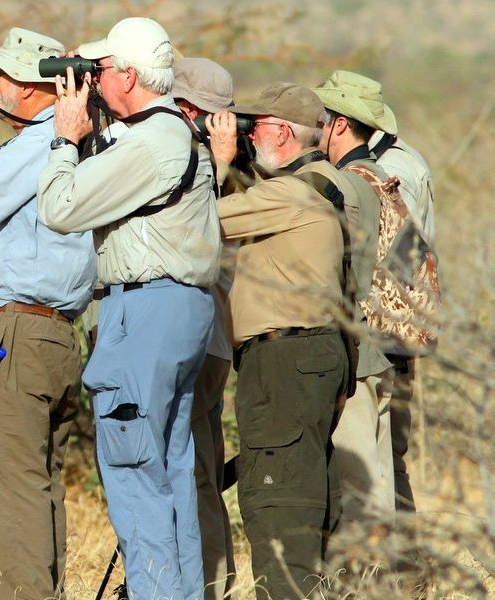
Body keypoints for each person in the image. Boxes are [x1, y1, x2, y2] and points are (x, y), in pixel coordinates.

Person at [37, 17, 221, 600]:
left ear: (130, 75)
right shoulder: (164, 132)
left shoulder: (151, 141)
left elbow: (60, 207)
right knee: (168, 469)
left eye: (103, 69)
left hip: (144, 312)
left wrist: (66, 137)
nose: (95, 78)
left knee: (134, 471)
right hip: (176, 311)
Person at [0, 27, 97, 600]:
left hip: (14, 331)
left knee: (12, 491)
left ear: (34, 86)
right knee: (37, 486)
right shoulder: (59, 139)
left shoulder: (41, 141)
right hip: (49, 336)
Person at [204, 82, 350, 599]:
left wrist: (220, 160)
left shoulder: (291, 193)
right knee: (305, 485)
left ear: (281, 131)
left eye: (253, 125)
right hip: (312, 354)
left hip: (284, 358)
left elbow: (202, 224)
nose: (245, 135)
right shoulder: (323, 182)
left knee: (277, 492)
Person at [313, 72, 406, 533]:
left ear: (341, 124)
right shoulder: (382, 176)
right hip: (385, 348)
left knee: (356, 494)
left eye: (323, 119)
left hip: (358, 355)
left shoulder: (347, 185)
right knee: (380, 485)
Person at [354, 72, 437, 513]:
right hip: (395, 331)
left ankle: (401, 577)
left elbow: (405, 256)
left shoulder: (394, 170)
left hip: (388, 336)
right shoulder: (401, 160)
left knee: (387, 458)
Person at [171, 56, 237, 600]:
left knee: (188, 471)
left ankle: (205, 585)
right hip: (214, 338)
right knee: (204, 471)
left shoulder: (200, 165)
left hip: (194, 333)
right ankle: (218, 579)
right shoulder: (233, 166)